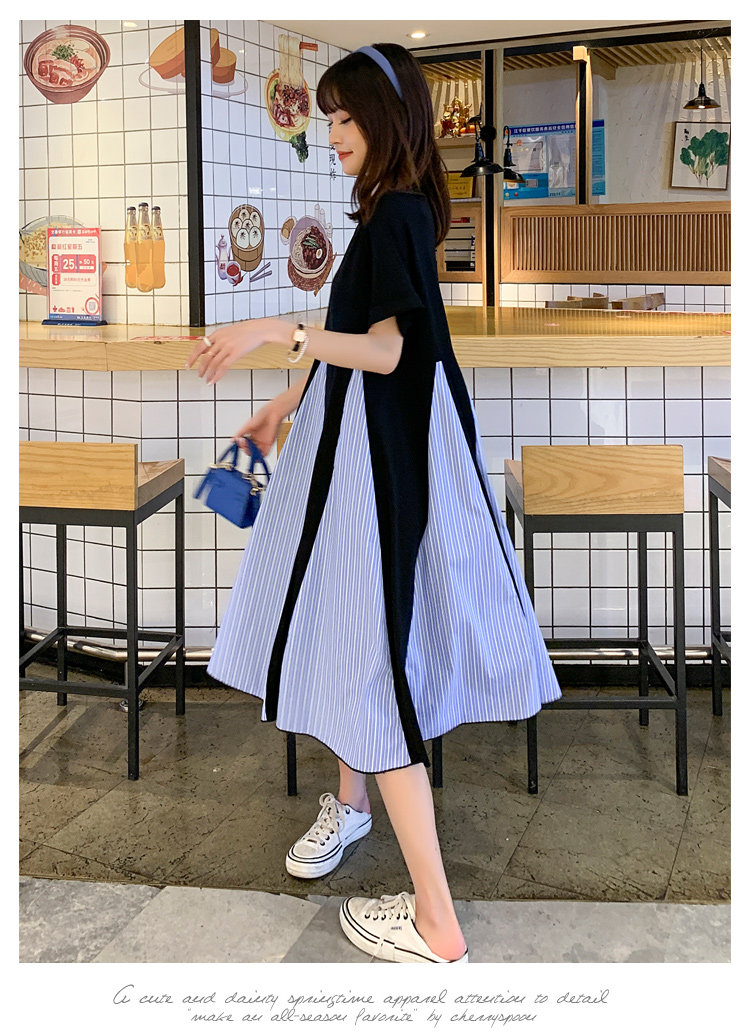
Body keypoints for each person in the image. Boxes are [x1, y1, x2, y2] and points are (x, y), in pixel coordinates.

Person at [188, 42, 561, 965]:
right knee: (358, 634)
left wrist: (276, 328)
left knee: (372, 656)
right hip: (372, 453)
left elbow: (392, 353)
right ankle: (351, 807)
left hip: (383, 465)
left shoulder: (394, 214)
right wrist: (284, 403)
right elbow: (363, 335)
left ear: (388, 120)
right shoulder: (399, 208)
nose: (334, 133)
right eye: (330, 119)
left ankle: (436, 923)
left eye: (348, 117)